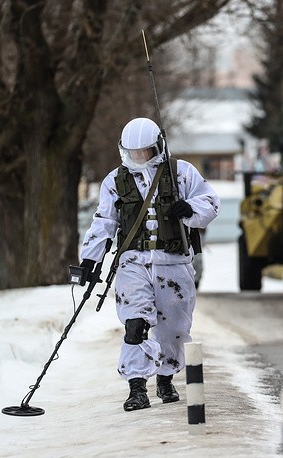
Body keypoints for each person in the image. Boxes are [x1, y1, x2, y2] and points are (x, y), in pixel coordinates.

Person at [80, 117, 220, 411]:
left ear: (157, 146)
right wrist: (89, 260)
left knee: (174, 328)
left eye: (144, 151)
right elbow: (104, 221)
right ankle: (137, 387)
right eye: (133, 153)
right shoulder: (115, 181)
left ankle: (166, 378)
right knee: (136, 323)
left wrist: (190, 209)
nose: (138, 158)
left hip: (173, 263)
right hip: (133, 263)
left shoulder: (181, 173)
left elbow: (210, 202)